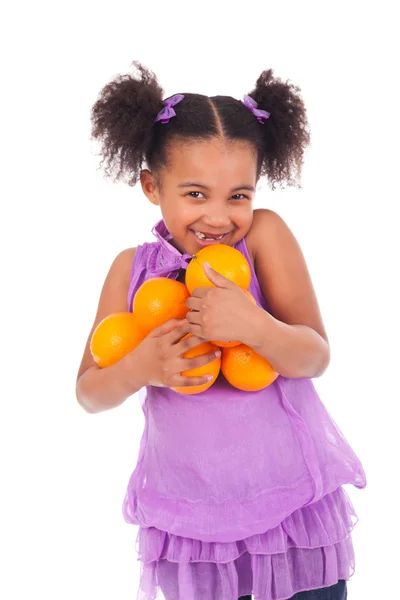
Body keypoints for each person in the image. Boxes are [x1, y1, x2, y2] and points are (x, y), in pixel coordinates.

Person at [76, 61, 366, 600]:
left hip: (290, 513)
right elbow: (88, 393)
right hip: (194, 530)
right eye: (195, 194)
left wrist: (254, 325)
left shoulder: (264, 239)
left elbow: (314, 356)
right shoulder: (131, 271)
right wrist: (141, 366)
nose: (219, 217)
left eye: (239, 195)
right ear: (150, 185)